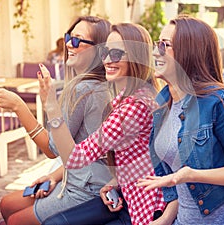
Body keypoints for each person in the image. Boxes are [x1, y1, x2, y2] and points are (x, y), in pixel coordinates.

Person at [0, 16, 115, 225]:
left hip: (87, 189)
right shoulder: (101, 84)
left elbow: (52, 150)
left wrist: (18, 106)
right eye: (69, 37)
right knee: (7, 203)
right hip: (87, 177)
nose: (69, 44)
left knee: (14, 218)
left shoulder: (82, 90)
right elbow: (84, 150)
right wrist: (56, 175)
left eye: (78, 40)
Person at [137, 15, 224, 225]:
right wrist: (165, 219)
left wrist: (192, 174)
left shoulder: (221, 103)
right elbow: (175, 181)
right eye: (156, 43)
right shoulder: (163, 102)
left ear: (189, 52)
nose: (155, 52)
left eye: (165, 45)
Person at [39, 23, 166, 225]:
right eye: (105, 52)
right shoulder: (141, 95)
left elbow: (75, 157)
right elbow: (144, 157)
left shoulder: (130, 110)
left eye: (116, 54)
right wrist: (116, 182)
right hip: (130, 197)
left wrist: (51, 106)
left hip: (144, 212)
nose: (107, 60)